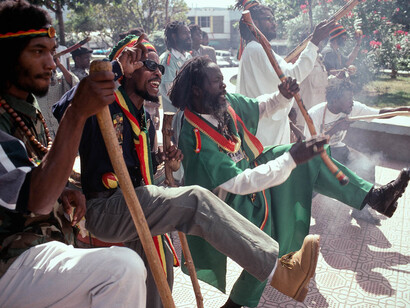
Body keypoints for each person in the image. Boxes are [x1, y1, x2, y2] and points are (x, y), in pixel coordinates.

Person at [53, 35, 327, 306]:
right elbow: (65, 108)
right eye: (146, 65)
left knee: (160, 283)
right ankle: (279, 272)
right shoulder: (102, 104)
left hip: (137, 208)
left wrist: (166, 164)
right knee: (195, 199)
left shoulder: (145, 120)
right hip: (105, 209)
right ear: (127, 68)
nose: (157, 72)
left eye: (158, 67)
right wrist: (113, 69)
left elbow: (137, 172)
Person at [169, 56, 410, 308]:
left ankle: (373, 197)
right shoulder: (194, 137)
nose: (224, 87)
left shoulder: (220, 103)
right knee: (270, 245)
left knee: (310, 158)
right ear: (197, 90)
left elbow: (258, 106)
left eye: (222, 80)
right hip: (226, 202)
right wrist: (290, 159)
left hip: (250, 173)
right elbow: (238, 182)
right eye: (216, 82)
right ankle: (239, 301)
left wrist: (281, 96)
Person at [0, 1, 147, 307]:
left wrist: (62, 189)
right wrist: (77, 113)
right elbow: (37, 199)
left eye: (52, 52)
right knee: (122, 268)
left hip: (39, 251)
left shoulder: (24, 105)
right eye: (38, 51)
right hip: (9, 261)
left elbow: (27, 174)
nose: (52, 63)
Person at [305, 77, 410, 224]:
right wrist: (336, 128)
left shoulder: (351, 108)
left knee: (366, 165)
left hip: (338, 148)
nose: (352, 102)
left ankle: (361, 210)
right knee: (311, 189)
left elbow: (379, 113)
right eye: (348, 98)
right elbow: (310, 147)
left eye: (352, 98)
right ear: (335, 100)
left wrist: (403, 110)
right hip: (319, 155)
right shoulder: (314, 115)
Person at [235, 0, 334, 147]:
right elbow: (293, 76)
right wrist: (314, 42)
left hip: (268, 126)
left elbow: (274, 89)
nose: (274, 23)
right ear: (254, 23)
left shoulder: (257, 49)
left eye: (273, 19)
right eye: (268, 19)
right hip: (264, 132)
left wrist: (290, 126)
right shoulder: (257, 49)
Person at [36, 55, 79, 137]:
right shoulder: (35, 82)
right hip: (43, 129)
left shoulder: (61, 78)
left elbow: (74, 84)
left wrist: (60, 65)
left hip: (61, 128)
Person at [159, 21, 192, 114]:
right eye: (185, 33)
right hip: (175, 116)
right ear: (174, 36)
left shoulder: (188, 57)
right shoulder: (167, 60)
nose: (189, 36)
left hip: (189, 113)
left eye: (189, 32)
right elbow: (171, 92)